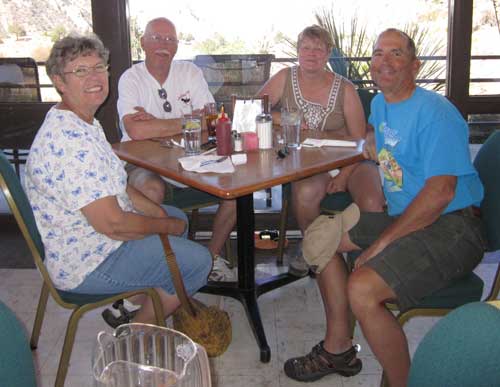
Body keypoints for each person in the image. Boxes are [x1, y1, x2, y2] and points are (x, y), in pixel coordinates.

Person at [283, 29, 487, 386]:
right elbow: (377, 138)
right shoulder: (380, 104)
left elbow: (440, 192)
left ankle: (402, 380)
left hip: (454, 226)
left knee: (361, 287)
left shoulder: (436, 113)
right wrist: (360, 156)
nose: (384, 62)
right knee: (319, 240)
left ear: (415, 64)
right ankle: (339, 348)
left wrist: (381, 242)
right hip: (408, 217)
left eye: (396, 53)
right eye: (378, 54)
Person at [23, 33, 212, 325]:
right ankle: (135, 341)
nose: (95, 77)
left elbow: (116, 183)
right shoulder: (70, 140)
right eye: (80, 71)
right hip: (89, 261)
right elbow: (114, 225)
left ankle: (149, 301)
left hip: (94, 240)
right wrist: (164, 225)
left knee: (177, 219)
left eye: (99, 67)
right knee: (199, 261)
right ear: (59, 82)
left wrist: (160, 214)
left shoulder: (82, 120)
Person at [258, 25, 384, 277]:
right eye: (306, 47)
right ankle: (313, 250)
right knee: (304, 192)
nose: (311, 54)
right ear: (298, 51)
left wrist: (344, 176)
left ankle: (369, 264)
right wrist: (284, 117)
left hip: (352, 160)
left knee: (373, 202)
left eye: (318, 49)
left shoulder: (345, 88)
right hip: (311, 164)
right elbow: (253, 110)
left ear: (328, 53)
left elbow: (359, 141)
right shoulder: (284, 77)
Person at [117, 17, 236, 281]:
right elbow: (137, 132)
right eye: (157, 38)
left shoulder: (190, 73)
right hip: (143, 162)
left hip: (192, 159)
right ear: (143, 42)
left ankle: (210, 260)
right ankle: (150, 269)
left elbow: (211, 121)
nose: (163, 44)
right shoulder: (131, 79)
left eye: (170, 39)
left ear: (177, 46)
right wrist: (188, 121)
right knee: (150, 189)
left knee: (238, 192)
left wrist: (158, 123)